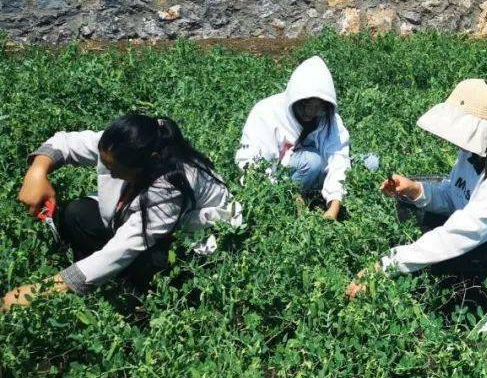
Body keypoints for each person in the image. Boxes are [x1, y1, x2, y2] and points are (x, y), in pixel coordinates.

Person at [346, 80, 487, 314]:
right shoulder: (475, 153)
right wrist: (415, 189)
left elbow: (460, 233)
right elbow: (455, 195)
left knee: (444, 260)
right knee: (425, 225)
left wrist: (385, 264)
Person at [4, 115, 239, 310]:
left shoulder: (172, 186)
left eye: (116, 170)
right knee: (77, 214)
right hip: (136, 225)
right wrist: (37, 171)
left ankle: (139, 301)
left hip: (192, 244)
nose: (110, 172)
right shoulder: (120, 147)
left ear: (151, 162)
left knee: (153, 263)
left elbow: (121, 250)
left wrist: (39, 292)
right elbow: (66, 143)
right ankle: (95, 276)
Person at [235, 56, 350, 220]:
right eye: (306, 105)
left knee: (369, 163)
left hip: (315, 174)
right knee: (312, 162)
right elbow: (254, 166)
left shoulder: (328, 119)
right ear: (295, 99)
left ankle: (315, 195)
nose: (311, 113)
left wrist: (333, 209)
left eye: (318, 107)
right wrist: (287, 194)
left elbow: (338, 158)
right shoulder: (266, 112)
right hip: (279, 177)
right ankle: (294, 202)